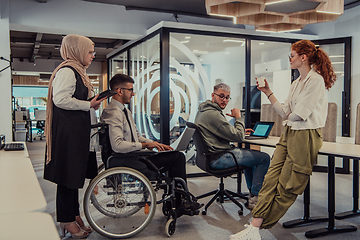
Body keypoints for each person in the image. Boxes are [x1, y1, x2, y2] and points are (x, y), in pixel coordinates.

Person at [230, 39, 337, 240]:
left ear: (303, 57)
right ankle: (255, 226)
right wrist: (268, 92)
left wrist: (290, 114)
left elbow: (300, 114)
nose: (290, 59)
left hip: (306, 135)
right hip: (290, 132)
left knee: (289, 184)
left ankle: (258, 226)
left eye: (292, 55)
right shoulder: (296, 83)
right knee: (270, 179)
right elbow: (285, 112)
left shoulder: (316, 81)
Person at [100, 73, 202, 214]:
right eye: (130, 90)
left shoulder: (124, 111)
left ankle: (177, 201)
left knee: (173, 155)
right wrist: (145, 146)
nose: (133, 93)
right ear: (119, 91)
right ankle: (179, 203)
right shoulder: (113, 112)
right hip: (128, 159)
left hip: (134, 155)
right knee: (177, 158)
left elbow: (136, 137)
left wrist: (153, 143)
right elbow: (117, 145)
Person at [43, 34, 107, 239]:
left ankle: (73, 215)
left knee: (73, 178)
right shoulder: (68, 71)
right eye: (89, 51)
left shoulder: (78, 71)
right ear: (76, 51)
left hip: (77, 135)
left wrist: (91, 102)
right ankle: (67, 220)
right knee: (67, 179)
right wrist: (88, 104)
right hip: (68, 136)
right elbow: (61, 99)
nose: (93, 55)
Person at [194, 83, 271, 210]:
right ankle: (256, 198)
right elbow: (239, 137)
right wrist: (238, 117)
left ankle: (252, 193)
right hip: (219, 158)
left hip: (209, 157)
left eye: (227, 97)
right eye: (221, 96)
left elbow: (221, 131)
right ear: (213, 95)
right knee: (264, 158)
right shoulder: (213, 114)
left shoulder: (204, 110)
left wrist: (238, 130)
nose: (225, 100)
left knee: (251, 156)